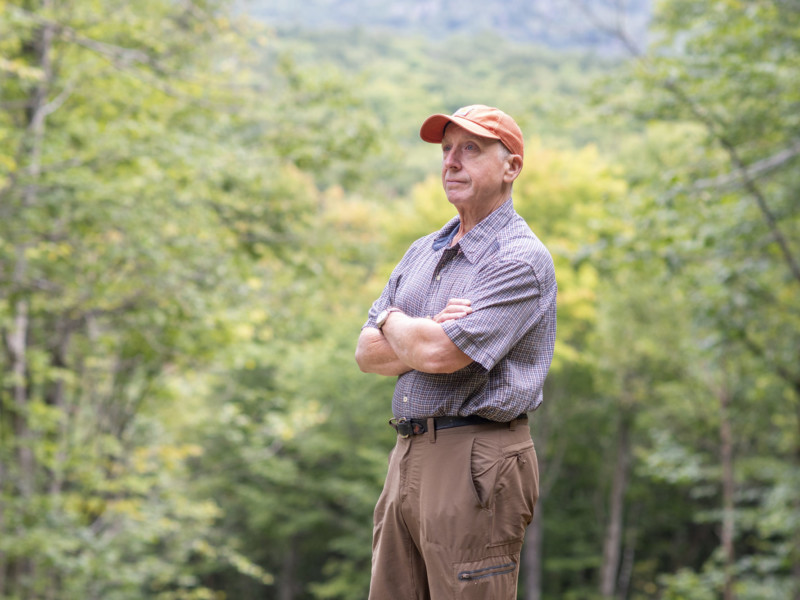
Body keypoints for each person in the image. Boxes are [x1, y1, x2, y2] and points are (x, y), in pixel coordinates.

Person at [355, 104, 557, 599]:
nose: (451, 162)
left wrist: (392, 319)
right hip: (406, 452)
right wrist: (417, 334)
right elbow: (366, 354)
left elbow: (441, 356)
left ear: (511, 167)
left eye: (471, 148)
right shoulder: (422, 251)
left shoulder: (519, 259)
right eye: (446, 150)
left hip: (476, 458)